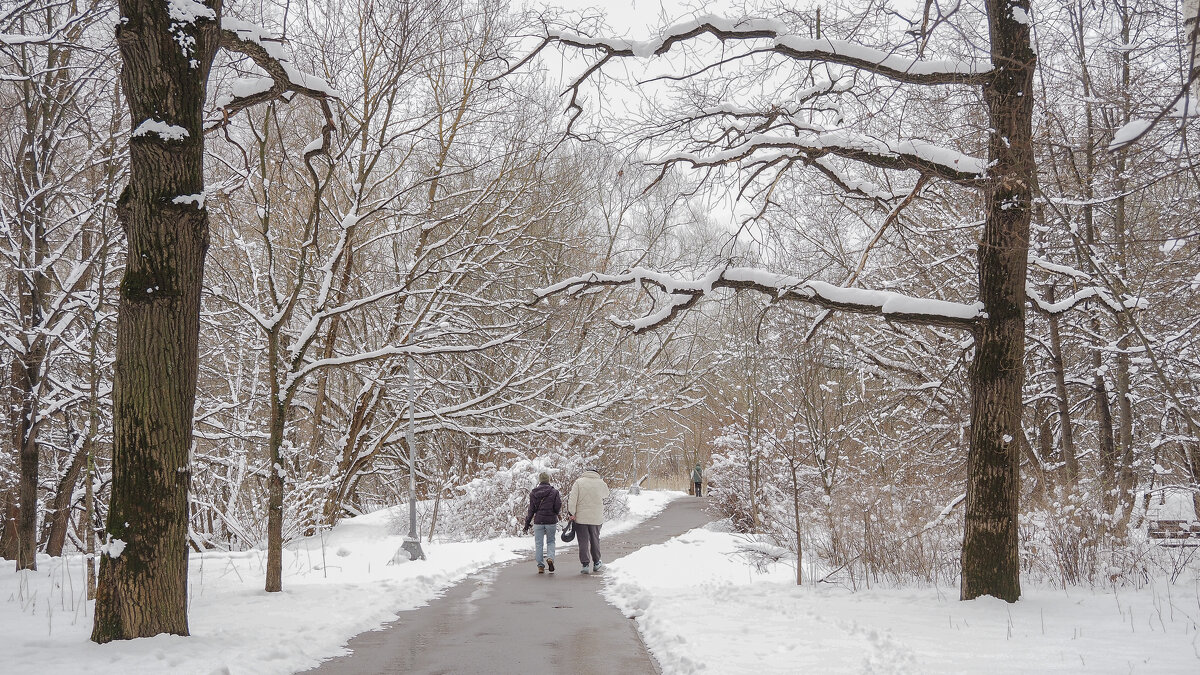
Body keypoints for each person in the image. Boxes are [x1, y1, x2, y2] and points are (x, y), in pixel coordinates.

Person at [567, 466, 609, 574]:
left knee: (583, 541)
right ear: (596, 473)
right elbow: (606, 494)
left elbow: (572, 499)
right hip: (596, 517)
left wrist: (572, 512)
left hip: (581, 518)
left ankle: (585, 564)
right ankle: (596, 563)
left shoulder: (579, 482)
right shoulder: (600, 482)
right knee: (595, 540)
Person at [523, 471, 562, 574]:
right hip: (551, 521)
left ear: (540, 481)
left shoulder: (533, 493)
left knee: (539, 544)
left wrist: (527, 523)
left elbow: (531, 510)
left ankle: (540, 565)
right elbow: (558, 506)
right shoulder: (554, 492)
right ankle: (550, 558)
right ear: (548, 480)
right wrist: (556, 513)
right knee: (551, 541)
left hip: (538, 521)